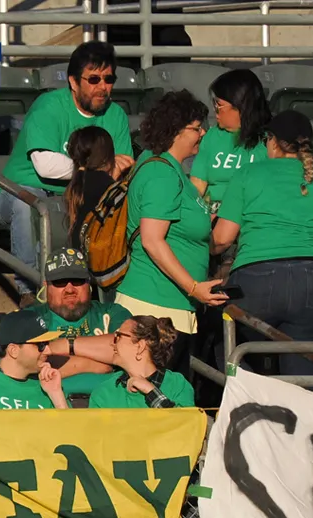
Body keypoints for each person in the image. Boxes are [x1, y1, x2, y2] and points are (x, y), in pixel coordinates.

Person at [211, 110, 313, 377]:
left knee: (229, 349)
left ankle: (253, 410)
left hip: (256, 282)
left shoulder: (248, 174)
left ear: (272, 141)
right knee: (303, 377)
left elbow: (222, 238)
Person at [0, 41, 134, 303]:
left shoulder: (115, 115)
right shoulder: (49, 105)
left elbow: (124, 166)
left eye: (109, 78)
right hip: (20, 191)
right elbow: (45, 165)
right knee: (30, 204)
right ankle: (28, 290)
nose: (103, 87)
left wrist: (97, 171)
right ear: (73, 81)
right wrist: (100, 168)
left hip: (76, 195)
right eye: (93, 79)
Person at [116, 90, 226, 382]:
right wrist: (193, 287)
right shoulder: (161, 174)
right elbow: (152, 240)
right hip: (153, 309)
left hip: (172, 310)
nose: (203, 133)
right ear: (175, 130)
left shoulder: (173, 173)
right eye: (196, 127)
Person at [27, 249, 130, 394]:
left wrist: (66, 344)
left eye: (77, 280)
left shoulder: (113, 313)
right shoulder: (29, 318)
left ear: (88, 283)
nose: (69, 289)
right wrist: (99, 364)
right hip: (48, 406)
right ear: (46, 285)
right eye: (60, 282)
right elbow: (29, 364)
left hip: (109, 406)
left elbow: (130, 352)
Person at [190, 69, 272, 213]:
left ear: (240, 105)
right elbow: (197, 186)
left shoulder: (270, 141)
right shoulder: (212, 137)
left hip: (251, 216)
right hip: (211, 215)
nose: (215, 109)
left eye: (219, 104)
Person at [89, 315, 194, 409]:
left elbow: (186, 426)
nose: (113, 343)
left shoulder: (177, 384)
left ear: (140, 346)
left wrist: (151, 392)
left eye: (119, 336)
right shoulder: (104, 392)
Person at [64, 126, 121, 246]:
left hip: (78, 250)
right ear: (107, 157)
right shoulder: (106, 186)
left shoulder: (79, 180)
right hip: (96, 254)